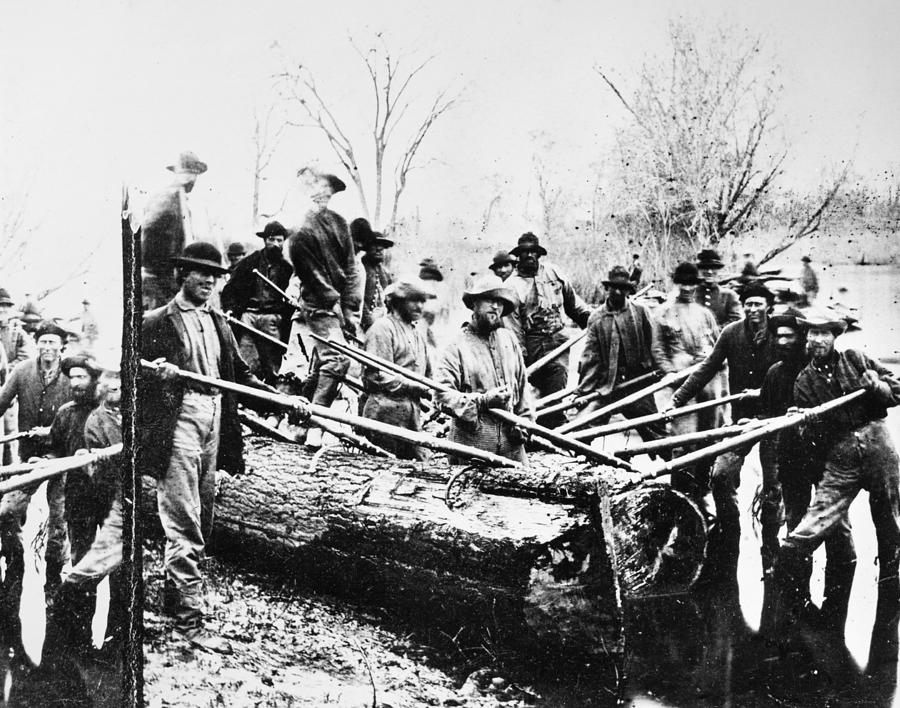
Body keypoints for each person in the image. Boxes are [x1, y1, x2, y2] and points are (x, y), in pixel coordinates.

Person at [141, 241, 304, 653]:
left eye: (215, 276)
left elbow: (241, 377)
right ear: (182, 276)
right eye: (201, 274)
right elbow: (132, 380)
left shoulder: (217, 321)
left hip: (214, 416)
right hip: (178, 418)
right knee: (183, 519)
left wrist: (281, 399)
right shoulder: (156, 322)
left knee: (205, 516)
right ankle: (187, 621)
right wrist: (157, 377)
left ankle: (175, 600)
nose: (210, 281)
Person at [772, 310, 900, 667]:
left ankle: (892, 576)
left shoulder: (856, 359)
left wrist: (876, 387)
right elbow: (814, 438)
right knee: (822, 511)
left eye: (823, 335)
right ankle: (787, 561)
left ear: (834, 337)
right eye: (811, 336)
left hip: (877, 441)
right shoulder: (804, 381)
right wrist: (806, 421)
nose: (816, 341)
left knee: (888, 514)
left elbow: (897, 391)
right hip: (841, 451)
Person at [671, 281, 780, 575]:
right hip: (741, 420)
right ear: (742, 307)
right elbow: (707, 367)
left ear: (769, 305)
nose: (753, 309)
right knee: (721, 476)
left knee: (773, 484)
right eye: (748, 304)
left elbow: (795, 369)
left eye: (759, 303)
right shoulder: (731, 333)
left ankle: (771, 547)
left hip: (776, 420)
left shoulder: (780, 333)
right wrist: (679, 398)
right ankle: (729, 535)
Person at [757, 309, 855, 626]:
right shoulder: (773, 374)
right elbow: (768, 419)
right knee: (797, 524)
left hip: (826, 457)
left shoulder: (819, 369)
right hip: (792, 459)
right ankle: (797, 606)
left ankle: (835, 612)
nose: (785, 342)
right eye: (779, 336)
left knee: (837, 527)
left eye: (791, 336)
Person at [43, 362, 125, 660]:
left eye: (82, 377)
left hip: (110, 496)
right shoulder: (66, 413)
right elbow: (54, 447)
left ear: (94, 381)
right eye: (72, 377)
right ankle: (77, 643)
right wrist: (49, 460)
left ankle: (116, 640)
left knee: (118, 570)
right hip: (80, 498)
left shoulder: (113, 412)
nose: (76, 382)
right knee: (83, 561)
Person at [0, 320, 72, 647]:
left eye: (52, 343)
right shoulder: (23, 372)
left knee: (58, 524)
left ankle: (53, 586)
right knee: (6, 511)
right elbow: (2, 401)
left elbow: (85, 412)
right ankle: (14, 562)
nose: (46, 348)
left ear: (61, 347)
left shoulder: (71, 378)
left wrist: (58, 435)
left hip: (61, 459)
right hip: (27, 460)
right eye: (41, 341)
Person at [287, 168, 361, 448]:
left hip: (340, 304)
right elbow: (310, 271)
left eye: (328, 190)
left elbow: (352, 267)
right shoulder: (300, 227)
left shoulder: (340, 223)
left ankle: (297, 421)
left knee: (321, 363)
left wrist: (350, 309)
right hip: (318, 303)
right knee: (338, 359)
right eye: (317, 188)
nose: (323, 194)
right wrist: (334, 303)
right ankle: (316, 422)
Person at [436, 274, 531, 464]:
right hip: (472, 443)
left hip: (511, 444)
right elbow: (441, 396)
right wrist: (482, 401)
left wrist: (524, 423)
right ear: (474, 304)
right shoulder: (456, 346)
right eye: (489, 300)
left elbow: (522, 389)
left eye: (500, 301)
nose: (495, 306)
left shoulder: (509, 340)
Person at [505, 232, 592, 429]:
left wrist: (591, 320)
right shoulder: (512, 286)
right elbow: (513, 326)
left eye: (533, 252)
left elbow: (574, 305)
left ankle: (554, 425)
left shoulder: (554, 274)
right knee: (532, 386)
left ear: (539, 254)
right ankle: (535, 425)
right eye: (525, 252)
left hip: (558, 340)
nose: (529, 256)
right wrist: (521, 354)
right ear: (518, 256)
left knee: (557, 379)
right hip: (531, 342)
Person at [651, 262, 721, 499]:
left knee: (710, 432)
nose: (688, 288)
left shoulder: (704, 314)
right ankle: (680, 493)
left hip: (707, 380)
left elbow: (717, 345)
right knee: (683, 437)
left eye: (692, 284)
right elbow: (658, 349)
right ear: (675, 283)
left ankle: (702, 489)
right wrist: (669, 372)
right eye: (683, 283)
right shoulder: (662, 313)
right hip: (679, 382)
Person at [576, 266, 666, 447]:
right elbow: (590, 357)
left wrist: (660, 370)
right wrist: (582, 392)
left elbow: (655, 343)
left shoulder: (641, 312)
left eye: (622, 288)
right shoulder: (597, 318)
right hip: (608, 386)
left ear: (627, 290)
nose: (617, 292)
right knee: (583, 430)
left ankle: (675, 466)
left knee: (658, 434)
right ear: (607, 288)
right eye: (613, 287)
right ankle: (582, 465)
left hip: (638, 384)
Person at [361, 278, 435, 459]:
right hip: (384, 414)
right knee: (384, 467)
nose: (419, 307)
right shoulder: (382, 329)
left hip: (412, 416)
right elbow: (378, 375)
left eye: (422, 301)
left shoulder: (417, 334)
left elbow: (428, 373)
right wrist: (415, 387)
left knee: (420, 468)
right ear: (398, 302)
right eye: (414, 301)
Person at [220, 221, 294, 385]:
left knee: (271, 364)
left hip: (272, 319)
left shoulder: (286, 268)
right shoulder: (249, 263)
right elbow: (230, 288)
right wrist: (231, 309)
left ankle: (271, 404)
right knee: (246, 361)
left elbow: (294, 293)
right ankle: (247, 403)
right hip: (249, 317)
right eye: (271, 239)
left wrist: (292, 302)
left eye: (279, 240)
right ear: (265, 240)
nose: (275, 244)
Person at [141, 150, 209, 310]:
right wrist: (160, 266)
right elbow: (146, 229)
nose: (194, 180)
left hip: (172, 277)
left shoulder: (182, 203)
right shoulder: (167, 198)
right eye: (193, 175)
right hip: (160, 278)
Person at [0, 288, 29, 465]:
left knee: (10, 434)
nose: (2, 311)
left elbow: (25, 358)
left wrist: (6, 369)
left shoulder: (18, 334)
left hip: (8, 389)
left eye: (5, 307)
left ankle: (9, 475)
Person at [356, 219, 395, 333]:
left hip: (382, 323)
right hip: (361, 324)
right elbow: (356, 298)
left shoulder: (386, 273)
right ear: (367, 248)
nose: (379, 249)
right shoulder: (359, 268)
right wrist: (368, 320)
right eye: (375, 245)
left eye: (382, 246)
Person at [695, 249, 742, 326]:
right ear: (700, 270)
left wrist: (715, 331)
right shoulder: (692, 294)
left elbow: (736, 321)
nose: (709, 272)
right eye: (705, 267)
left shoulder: (729, 295)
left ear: (718, 270)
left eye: (713, 268)